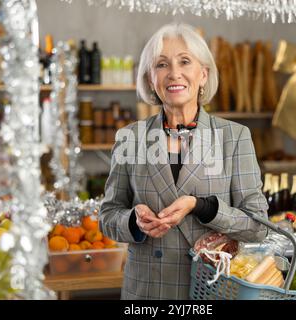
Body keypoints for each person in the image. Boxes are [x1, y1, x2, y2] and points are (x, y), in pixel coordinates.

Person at [99, 22, 268, 300]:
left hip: (211, 290)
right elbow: (107, 216)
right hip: (147, 292)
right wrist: (133, 221)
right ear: (150, 79)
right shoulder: (130, 137)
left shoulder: (234, 137)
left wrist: (202, 207)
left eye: (184, 61)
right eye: (162, 64)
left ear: (203, 74)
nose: (174, 73)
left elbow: (258, 226)